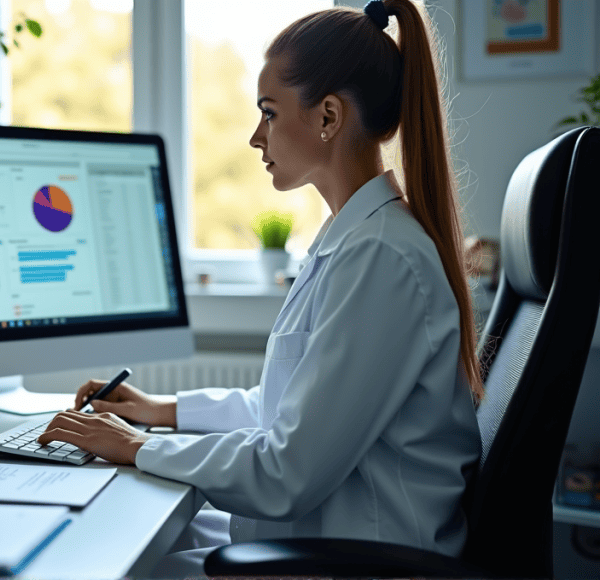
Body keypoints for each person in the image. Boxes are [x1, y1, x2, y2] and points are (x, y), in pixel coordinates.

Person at [37, 0, 482, 575]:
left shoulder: (380, 256)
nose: (255, 136)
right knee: (114, 538)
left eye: (269, 113)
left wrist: (135, 445)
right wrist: (159, 411)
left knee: (109, 564)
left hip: (361, 557)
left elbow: (286, 472)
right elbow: (287, 410)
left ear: (327, 117)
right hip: (328, 532)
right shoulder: (354, 240)